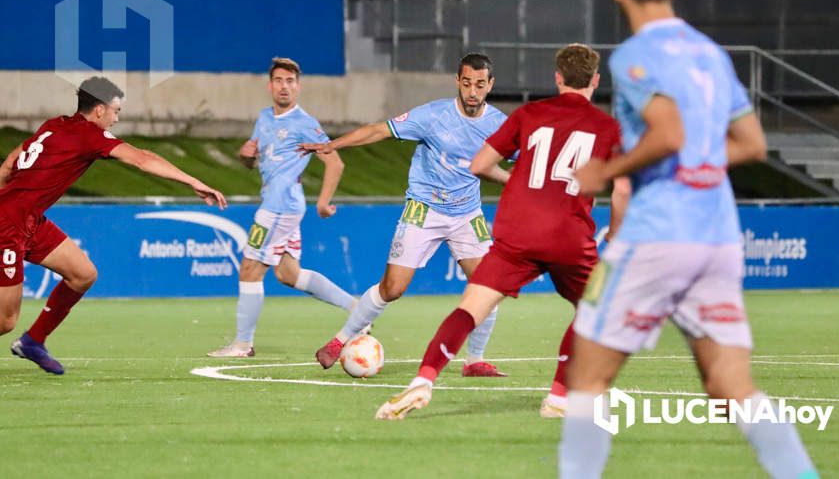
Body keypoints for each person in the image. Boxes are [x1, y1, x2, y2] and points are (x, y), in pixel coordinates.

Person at [559, 0, 819, 479]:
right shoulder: (711, 53)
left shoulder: (633, 55)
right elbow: (751, 144)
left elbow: (668, 132)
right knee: (732, 387)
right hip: (717, 235)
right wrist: (700, 161)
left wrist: (603, 172)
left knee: (586, 379)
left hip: (657, 234)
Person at [375, 43, 629, 420]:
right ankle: (559, 396)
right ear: (595, 80)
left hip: (519, 230)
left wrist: (514, 182)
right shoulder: (608, 128)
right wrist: (615, 235)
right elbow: (623, 190)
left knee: (470, 308)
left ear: (557, 78)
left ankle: (422, 382)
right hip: (569, 234)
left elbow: (480, 164)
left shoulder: (529, 114)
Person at [299, 53, 511, 377]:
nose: (472, 91)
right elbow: (378, 130)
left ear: (490, 85)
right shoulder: (433, 115)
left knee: (489, 285)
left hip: (467, 213)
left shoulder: (499, 124)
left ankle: (474, 361)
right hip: (423, 209)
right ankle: (340, 340)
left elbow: (531, 161)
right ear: (457, 80)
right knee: (392, 288)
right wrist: (333, 145)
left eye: (480, 85)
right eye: (467, 83)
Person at [0, 76, 227, 375]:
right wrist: (194, 182)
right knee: (5, 320)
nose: (116, 119)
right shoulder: (90, 135)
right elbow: (143, 159)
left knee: (82, 275)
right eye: (115, 111)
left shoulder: (54, 124)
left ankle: (34, 341)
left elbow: (10, 161)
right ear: (98, 110)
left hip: (29, 220)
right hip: (9, 224)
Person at [209, 57, 357, 358]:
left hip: (280, 206)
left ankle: (242, 344)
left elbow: (334, 161)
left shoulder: (305, 124)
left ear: (298, 87)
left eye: (290, 82)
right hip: (279, 204)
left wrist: (325, 201)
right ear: (270, 85)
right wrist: (246, 155)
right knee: (289, 274)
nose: (284, 87)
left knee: (250, 269)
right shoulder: (264, 118)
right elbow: (252, 160)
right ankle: (357, 309)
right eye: (279, 80)